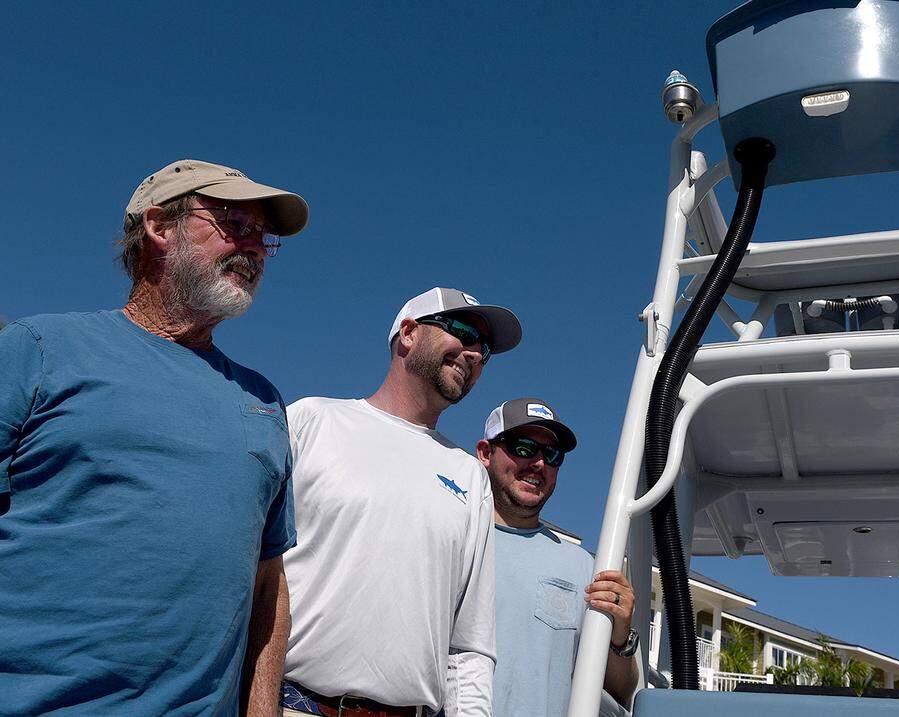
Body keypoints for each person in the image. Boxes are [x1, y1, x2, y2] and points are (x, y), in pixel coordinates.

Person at [0, 159, 308, 716]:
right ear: (160, 227)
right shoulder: (39, 349)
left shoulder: (263, 402)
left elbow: (268, 581)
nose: (255, 248)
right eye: (235, 225)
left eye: (262, 238)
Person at [281, 287, 522, 717]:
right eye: (463, 332)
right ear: (407, 334)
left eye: (483, 348)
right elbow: (251, 576)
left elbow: (470, 644)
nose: (473, 354)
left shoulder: (470, 476)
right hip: (294, 705)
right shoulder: (310, 421)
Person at [477, 398, 640, 717]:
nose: (539, 464)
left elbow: (620, 691)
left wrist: (620, 638)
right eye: (524, 447)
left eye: (551, 455)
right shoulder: (451, 539)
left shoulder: (585, 568)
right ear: (485, 453)